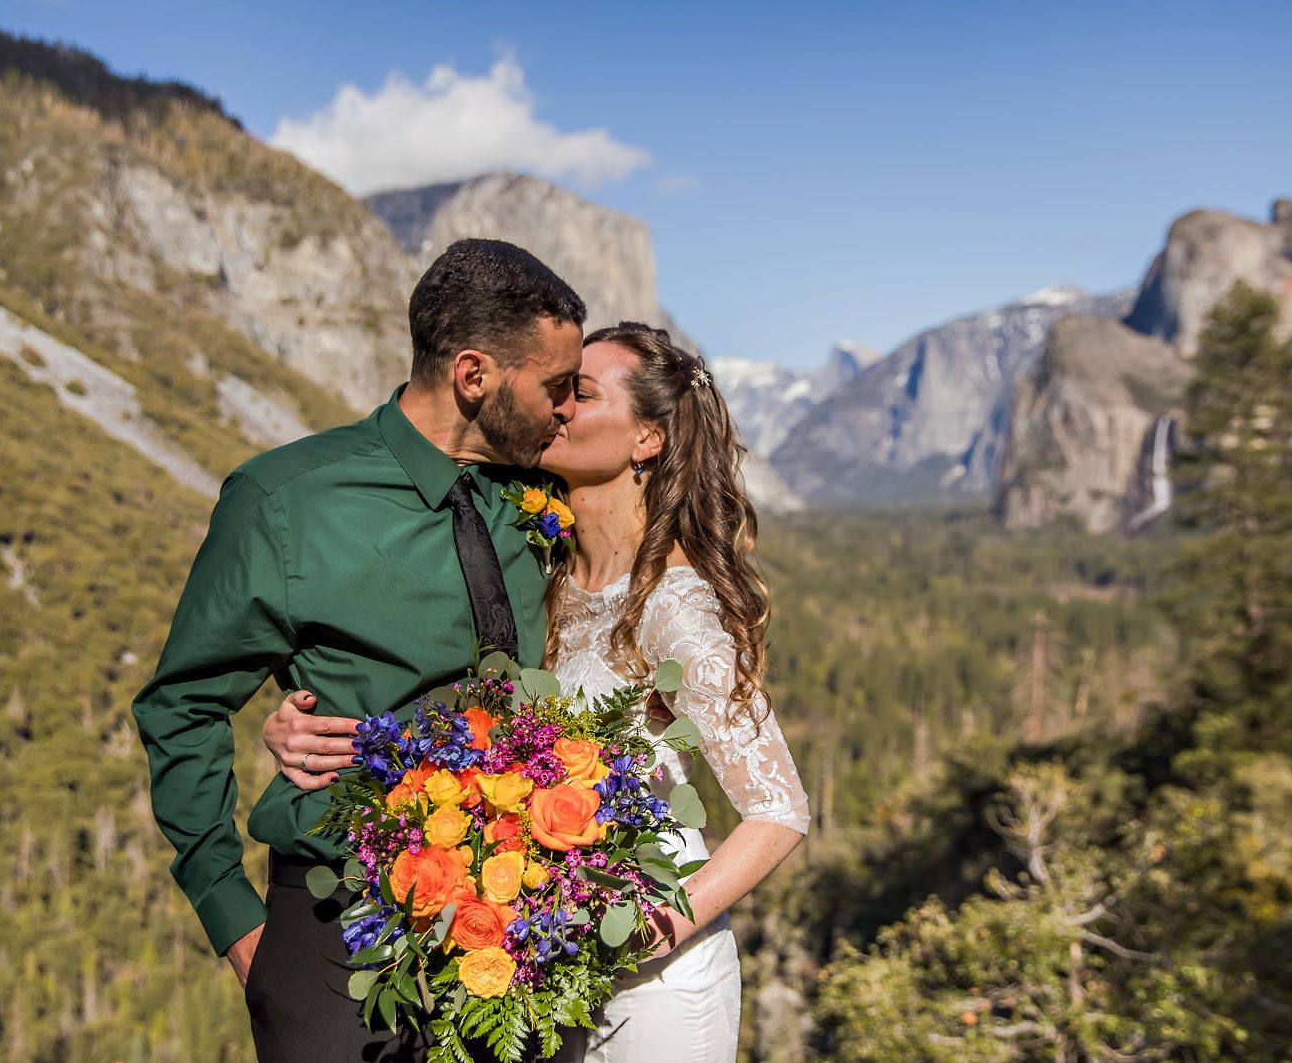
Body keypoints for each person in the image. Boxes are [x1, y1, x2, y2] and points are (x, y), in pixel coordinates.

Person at [264, 321, 810, 1062]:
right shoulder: (534, 571)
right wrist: (301, 723)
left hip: (658, 990)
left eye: (580, 393)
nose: (557, 409)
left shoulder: (673, 603)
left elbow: (779, 811)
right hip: (540, 974)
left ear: (647, 439)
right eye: (556, 390)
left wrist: (649, 935)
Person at [131, 238, 588, 1063]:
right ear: (474, 375)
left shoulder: (549, 490)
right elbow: (184, 703)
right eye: (557, 387)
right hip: (341, 934)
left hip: (524, 932)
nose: (570, 410)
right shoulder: (283, 501)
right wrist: (233, 916)